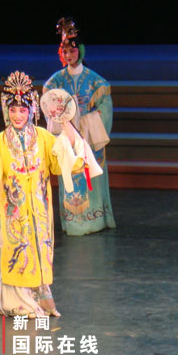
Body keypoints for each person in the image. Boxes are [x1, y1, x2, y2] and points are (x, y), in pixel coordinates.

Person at [0, 71, 100, 317]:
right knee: (16, 253)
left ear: (32, 110)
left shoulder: (43, 138)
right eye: (13, 110)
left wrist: (66, 126)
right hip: (14, 214)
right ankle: (14, 302)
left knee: (39, 251)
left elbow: (63, 164)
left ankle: (38, 298)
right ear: (6, 110)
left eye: (23, 110)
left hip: (40, 211)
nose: (17, 115)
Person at [43, 17, 116, 236]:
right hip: (67, 139)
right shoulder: (55, 82)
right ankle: (72, 221)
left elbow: (105, 110)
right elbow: (49, 109)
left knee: (90, 174)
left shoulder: (96, 81)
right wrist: (65, 123)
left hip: (89, 140)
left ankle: (95, 219)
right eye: (65, 52)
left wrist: (84, 123)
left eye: (72, 51)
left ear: (80, 51)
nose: (69, 55)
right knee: (70, 177)